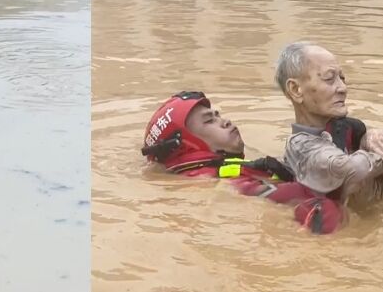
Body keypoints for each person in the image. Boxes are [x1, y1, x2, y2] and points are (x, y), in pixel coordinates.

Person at [142, 91, 344, 233]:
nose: (225, 121)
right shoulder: (214, 181)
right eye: (209, 120)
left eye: (217, 115)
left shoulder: (215, 172)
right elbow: (309, 199)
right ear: (188, 144)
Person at [274, 42, 383, 203]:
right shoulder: (301, 148)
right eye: (329, 78)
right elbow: (353, 169)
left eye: (342, 78)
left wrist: (373, 135)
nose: (343, 88)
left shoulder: (346, 130)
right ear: (295, 89)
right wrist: (381, 154)